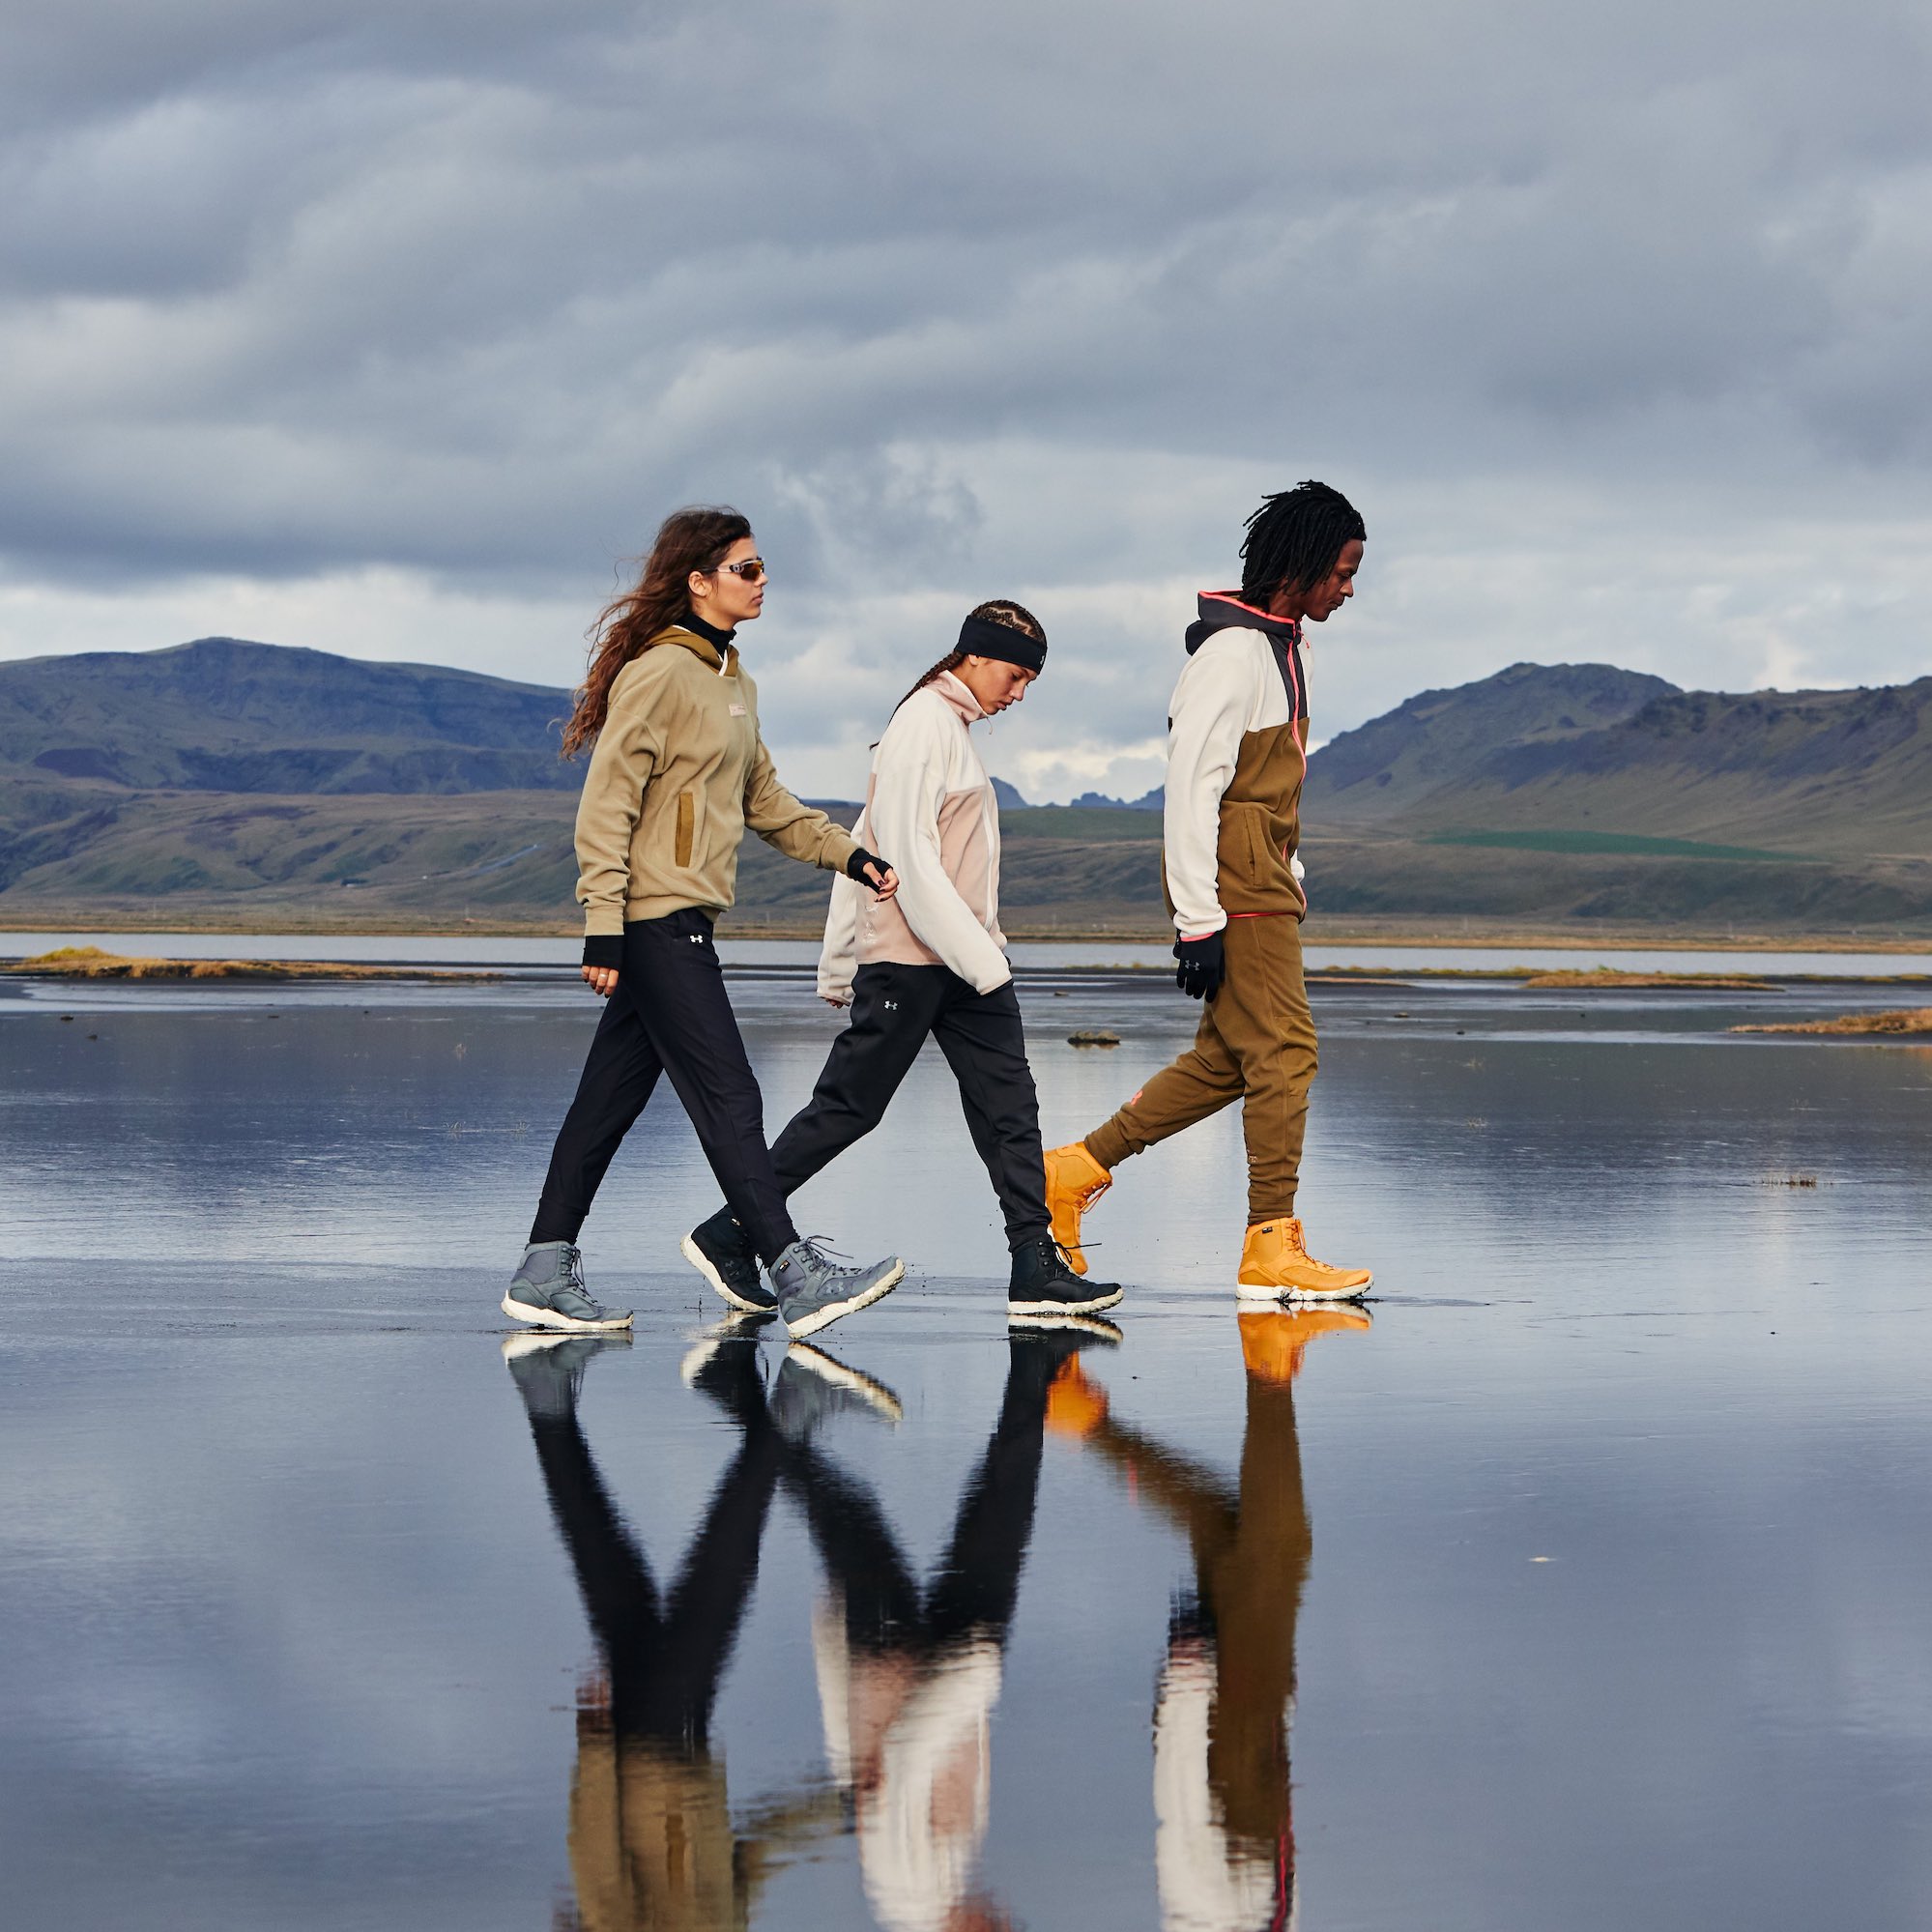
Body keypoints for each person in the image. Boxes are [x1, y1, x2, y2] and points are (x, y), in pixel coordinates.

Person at [504, 505, 907, 1338]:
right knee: (730, 1095)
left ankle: (544, 1268)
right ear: (698, 579)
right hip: (654, 924)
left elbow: (764, 800)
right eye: (746, 569)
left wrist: (851, 855)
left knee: (603, 1106)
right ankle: (793, 1273)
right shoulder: (658, 674)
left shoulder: (731, 682)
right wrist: (603, 924)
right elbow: (605, 805)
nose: (762, 583)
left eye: (762, 570)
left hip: (682, 917)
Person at [679, 601, 1124, 1323]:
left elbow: (863, 839)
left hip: (961, 961)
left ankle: (1032, 1266)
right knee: (847, 1109)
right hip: (919, 961)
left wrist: (853, 959)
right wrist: (953, 963)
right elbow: (903, 859)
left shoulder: (946, 728)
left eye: (1028, 684)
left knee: (1009, 1112)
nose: (1017, 695)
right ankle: (731, 1230)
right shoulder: (922, 724)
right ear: (974, 657)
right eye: (1014, 676)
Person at [1042, 482, 1374, 1300]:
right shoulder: (1230, 657)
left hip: (1260, 884)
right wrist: (1198, 919)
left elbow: (1264, 795)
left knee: (1227, 1060)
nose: (1348, 587)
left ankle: (1071, 1171)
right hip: (1236, 893)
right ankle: (1270, 1246)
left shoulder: (1273, 649)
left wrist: (1289, 873)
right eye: (1340, 570)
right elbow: (1192, 788)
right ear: (1298, 566)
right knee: (1286, 1054)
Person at [1048, 1303, 1370, 1930]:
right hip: (1252, 1748)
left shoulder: (1205, 1910)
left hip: (1226, 1748)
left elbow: (1185, 1818)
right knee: (1233, 1534)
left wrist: (1188, 1695)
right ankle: (1091, 1423)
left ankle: (1267, 1365)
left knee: (1272, 1547)